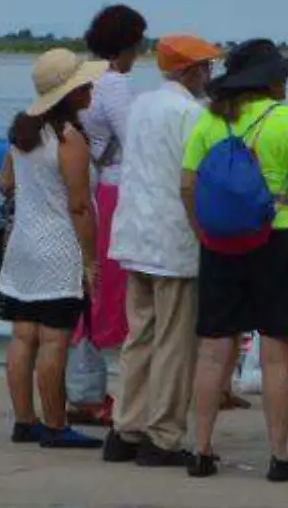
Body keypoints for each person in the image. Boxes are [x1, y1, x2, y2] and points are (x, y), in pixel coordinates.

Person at [181, 41, 288, 483]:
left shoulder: (212, 118)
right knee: (276, 353)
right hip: (279, 240)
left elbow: (187, 186)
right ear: (269, 80)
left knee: (213, 350)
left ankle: (201, 450)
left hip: (222, 243)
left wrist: (201, 232)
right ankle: (279, 457)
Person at [103, 33, 220, 468]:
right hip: (174, 240)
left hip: (135, 235)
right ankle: (163, 435)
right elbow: (198, 177)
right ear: (189, 71)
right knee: (174, 342)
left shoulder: (140, 107)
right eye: (205, 67)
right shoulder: (192, 114)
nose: (210, 75)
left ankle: (125, 426)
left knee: (140, 337)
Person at [0, 48, 108, 450]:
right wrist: (90, 261)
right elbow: (79, 206)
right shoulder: (68, 138)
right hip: (60, 247)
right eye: (83, 84)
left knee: (23, 334)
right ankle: (57, 425)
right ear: (69, 94)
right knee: (55, 339)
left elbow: (4, 183)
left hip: (24, 245)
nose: (91, 88)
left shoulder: (22, 131)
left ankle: (25, 421)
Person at [67, 3, 146, 425]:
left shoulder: (82, 76)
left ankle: (83, 388)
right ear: (127, 45)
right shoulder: (113, 84)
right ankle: (90, 392)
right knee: (107, 294)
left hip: (87, 188)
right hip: (112, 192)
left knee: (87, 291)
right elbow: (135, 142)